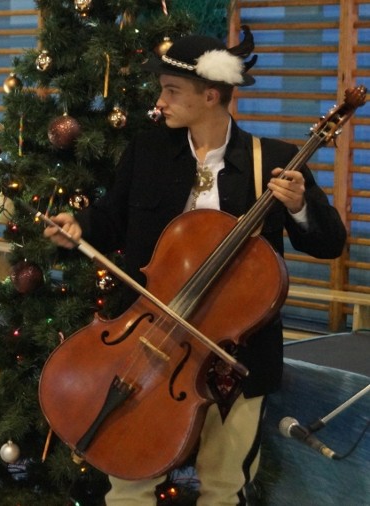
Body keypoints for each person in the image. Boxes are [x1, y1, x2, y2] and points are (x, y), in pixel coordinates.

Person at [44, 31, 346, 505]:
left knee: (224, 488)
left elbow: (330, 243)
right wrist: (76, 227)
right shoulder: (147, 152)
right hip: (146, 344)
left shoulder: (275, 161)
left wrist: (301, 205)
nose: (160, 101)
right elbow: (109, 220)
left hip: (231, 357)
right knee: (127, 483)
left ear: (211, 95)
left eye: (172, 91)